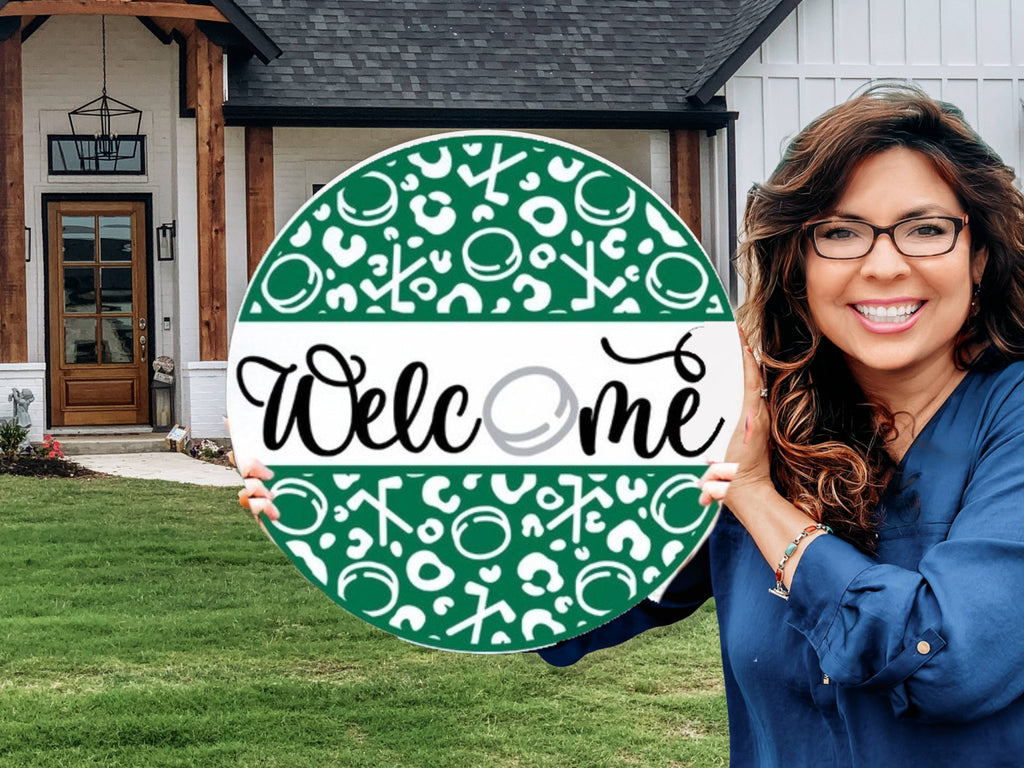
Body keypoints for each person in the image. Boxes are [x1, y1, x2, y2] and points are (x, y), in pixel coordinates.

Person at [239, 85, 1024, 765]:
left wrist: (753, 496)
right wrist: (349, 508)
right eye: (841, 232)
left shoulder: (1005, 416)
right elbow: (564, 597)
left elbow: (949, 661)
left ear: (979, 255)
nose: (884, 265)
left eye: (925, 229)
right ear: (799, 262)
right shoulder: (759, 423)